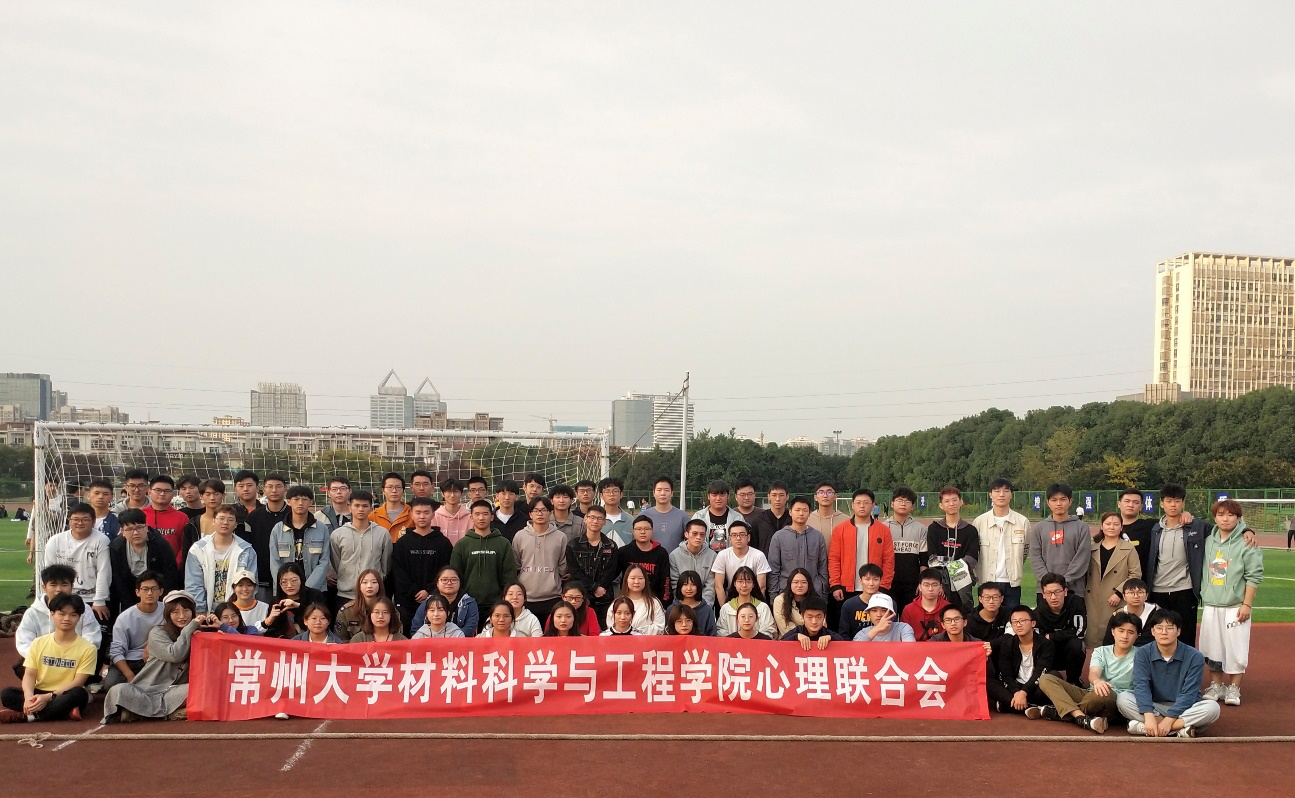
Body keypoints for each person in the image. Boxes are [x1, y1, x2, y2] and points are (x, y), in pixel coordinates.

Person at [1145, 484, 1252, 648]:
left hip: (1185, 590)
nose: (1173, 505)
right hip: (1157, 590)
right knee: (1159, 634)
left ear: (1183, 504)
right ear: (1162, 504)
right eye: (1169, 501)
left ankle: (1187, 665)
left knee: (1186, 635)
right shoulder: (1155, 529)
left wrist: (1247, 530)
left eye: (1177, 501)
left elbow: (1224, 527)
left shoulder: (1197, 526)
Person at [102, 589, 209, 723]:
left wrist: (220, 627)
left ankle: (140, 713)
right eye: (175, 612)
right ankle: (168, 713)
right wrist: (191, 627)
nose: (181, 616)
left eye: (186, 611)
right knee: (118, 690)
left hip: (174, 692)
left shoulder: (198, 634)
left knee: (203, 689)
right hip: (147, 691)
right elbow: (175, 654)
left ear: (193, 612)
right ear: (168, 615)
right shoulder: (158, 632)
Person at [1029, 611, 1142, 734]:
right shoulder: (1101, 651)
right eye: (1121, 631)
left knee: (1105, 693)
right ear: (1113, 631)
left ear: (1137, 635)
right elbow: (1093, 674)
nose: (1125, 636)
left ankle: (1059, 712)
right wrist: (1097, 681)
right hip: (1091, 694)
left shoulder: (1142, 655)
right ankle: (1080, 717)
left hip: (1115, 701)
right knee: (1046, 679)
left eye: (1130, 632)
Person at [1198, 499, 1263, 707]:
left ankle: (1234, 687)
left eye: (1230, 515)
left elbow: (1254, 576)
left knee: (1236, 647)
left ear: (1238, 518)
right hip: (1212, 604)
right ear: (1215, 517)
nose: (1225, 519)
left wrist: (1247, 604)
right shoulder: (1209, 540)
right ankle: (1216, 685)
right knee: (1212, 647)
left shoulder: (1247, 542)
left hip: (1235, 606)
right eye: (1220, 515)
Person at [1117, 608, 1221, 737]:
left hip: (1185, 707)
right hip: (1154, 706)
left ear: (1178, 631)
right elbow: (1141, 686)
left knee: (1213, 708)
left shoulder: (1195, 656)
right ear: (1153, 631)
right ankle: (1180, 729)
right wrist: (1148, 715)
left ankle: (1147, 728)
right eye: (1159, 628)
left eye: (1169, 628)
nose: (1164, 632)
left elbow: (1189, 693)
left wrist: (1169, 720)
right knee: (1123, 699)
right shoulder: (1142, 653)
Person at [0, 593, 94, 724]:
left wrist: (49, 697)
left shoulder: (88, 648)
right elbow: (29, 674)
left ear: (79, 618)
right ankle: (63, 711)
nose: (67, 618)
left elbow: (78, 682)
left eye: (73, 615)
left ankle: (28, 716)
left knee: (79, 694)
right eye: (62, 614)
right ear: (52, 614)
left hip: (64, 694)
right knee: (7, 694)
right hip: (39, 691)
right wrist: (28, 697)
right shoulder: (38, 643)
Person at [14, 564, 102, 677]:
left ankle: (78, 685)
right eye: (53, 585)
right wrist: (49, 659)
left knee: (94, 658)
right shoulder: (33, 612)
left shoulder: (84, 609)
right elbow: (24, 642)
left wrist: (69, 657)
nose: (59, 590)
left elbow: (92, 637)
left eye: (64, 584)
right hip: (43, 661)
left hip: (74, 660)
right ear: (44, 587)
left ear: (72, 586)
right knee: (21, 666)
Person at [391, 496, 453, 632]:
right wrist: (413, 591)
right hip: (406, 602)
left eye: (426, 512)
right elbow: (398, 572)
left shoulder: (443, 543)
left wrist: (429, 591)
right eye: (418, 512)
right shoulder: (402, 543)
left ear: (433, 515)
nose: (422, 516)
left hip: (436, 602)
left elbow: (446, 570)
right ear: (411, 514)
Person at [43, 502, 111, 624]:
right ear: (69, 521)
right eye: (75, 519)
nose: (80, 523)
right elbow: (49, 573)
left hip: (92, 598)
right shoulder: (55, 541)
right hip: (62, 597)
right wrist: (51, 597)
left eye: (85, 519)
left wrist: (99, 601)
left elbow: (104, 571)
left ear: (93, 521)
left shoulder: (101, 540)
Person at [829, 489, 895, 615]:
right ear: (852, 505)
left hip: (874, 588)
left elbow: (888, 561)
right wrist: (835, 584)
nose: (862, 506)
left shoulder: (883, 530)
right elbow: (834, 559)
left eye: (866, 502)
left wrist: (883, 586)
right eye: (858, 502)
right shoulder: (840, 530)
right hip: (846, 588)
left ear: (873, 505)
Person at [184, 504, 257, 615]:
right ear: (213, 521)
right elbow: (193, 584)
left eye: (230, 520)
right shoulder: (198, 549)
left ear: (236, 524)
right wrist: (199, 611)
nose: (225, 522)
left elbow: (252, 583)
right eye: (221, 518)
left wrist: (243, 610)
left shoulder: (246, 550)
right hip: (206, 612)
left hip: (237, 612)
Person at [449, 499, 518, 614]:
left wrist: (505, 599)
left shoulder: (503, 543)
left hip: (497, 604)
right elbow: (456, 574)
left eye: (485, 514)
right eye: (477, 514)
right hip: (467, 603)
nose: (481, 518)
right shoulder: (462, 544)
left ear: (492, 517)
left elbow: (509, 575)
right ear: (471, 517)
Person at [107, 508, 180, 616]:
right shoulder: (116, 548)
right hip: (129, 592)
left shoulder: (160, 544)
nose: (136, 533)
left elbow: (170, 574)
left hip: (157, 591)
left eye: (139, 527)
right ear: (122, 531)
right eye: (130, 529)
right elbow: (117, 579)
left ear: (146, 527)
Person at [972, 478, 1030, 608]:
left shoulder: (1022, 522)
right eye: (997, 491)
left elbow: (1024, 552)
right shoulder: (979, 522)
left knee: (1011, 618)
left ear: (1011, 494)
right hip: (986, 582)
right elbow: (975, 552)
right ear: (990, 494)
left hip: (1012, 584)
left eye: (1006, 491)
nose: (1001, 494)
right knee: (986, 618)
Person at [1086, 511, 1141, 648]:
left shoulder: (1128, 549)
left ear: (1121, 527)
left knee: (1115, 638)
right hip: (1092, 600)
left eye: (1116, 524)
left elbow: (1135, 574)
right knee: (1093, 640)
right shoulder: (1092, 549)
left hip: (1116, 600)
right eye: (1108, 524)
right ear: (1101, 526)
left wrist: (1119, 592)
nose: (1111, 527)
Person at [1027, 483, 1092, 600]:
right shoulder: (1039, 528)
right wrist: (1048, 583)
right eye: (1054, 500)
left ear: (1070, 501)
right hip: (1045, 590)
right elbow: (1035, 557)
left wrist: (1064, 582)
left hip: (1074, 590)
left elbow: (1082, 558)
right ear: (1048, 502)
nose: (1058, 503)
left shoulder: (1082, 527)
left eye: (1063, 499)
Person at [986, 606, 1055, 714]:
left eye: (1022, 621)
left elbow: (1040, 672)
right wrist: (1016, 692)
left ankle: (1009, 705)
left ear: (1033, 623)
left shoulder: (1046, 644)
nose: (1018, 625)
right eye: (1014, 622)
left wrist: (1024, 693)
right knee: (987, 682)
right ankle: (1033, 708)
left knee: (1054, 676)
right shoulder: (1007, 644)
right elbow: (1006, 674)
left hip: (1035, 687)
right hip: (1014, 688)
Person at [104, 572, 166, 692]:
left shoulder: (168, 611)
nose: (149, 593)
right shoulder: (125, 618)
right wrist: (129, 675)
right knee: (111, 685)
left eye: (154, 589)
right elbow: (116, 651)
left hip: (156, 659)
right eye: (145, 589)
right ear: (137, 592)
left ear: (161, 591)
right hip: (129, 660)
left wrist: (152, 643)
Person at [328, 491, 392, 606]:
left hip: (374, 595)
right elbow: (336, 562)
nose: (361, 509)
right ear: (350, 507)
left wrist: (378, 578)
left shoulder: (382, 533)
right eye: (357, 505)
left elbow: (386, 564)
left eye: (365, 506)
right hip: (346, 595)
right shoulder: (337, 534)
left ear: (371, 508)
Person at [268, 485, 332, 596]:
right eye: (296, 499)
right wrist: (286, 584)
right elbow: (274, 562)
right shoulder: (278, 529)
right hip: (286, 590)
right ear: (288, 502)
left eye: (304, 499)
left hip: (315, 590)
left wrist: (307, 589)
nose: (300, 503)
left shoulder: (322, 529)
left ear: (311, 502)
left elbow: (324, 561)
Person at [512, 497, 570, 619]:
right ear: (530, 514)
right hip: (526, 597)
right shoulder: (520, 536)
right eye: (536, 510)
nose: (540, 514)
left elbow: (562, 566)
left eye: (544, 510)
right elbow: (516, 564)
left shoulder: (560, 537)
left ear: (550, 513)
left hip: (553, 597)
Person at [926, 487, 980, 610]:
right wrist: (940, 581)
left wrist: (952, 569)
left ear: (961, 502)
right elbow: (932, 558)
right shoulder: (934, 528)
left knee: (964, 613)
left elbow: (971, 558)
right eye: (947, 501)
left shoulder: (970, 530)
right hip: (940, 582)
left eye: (955, 500)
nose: (951, 504)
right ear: (941, 505)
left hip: (963, 581)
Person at [767, 496, 828, 597]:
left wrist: (823, 593)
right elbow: (774, 569)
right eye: (797, 510)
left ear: (809, 513)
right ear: (790, 512)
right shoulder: (779, 536)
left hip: (813, 592)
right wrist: (773, 596)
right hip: (786, 591)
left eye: (805, 510)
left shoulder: (817, 537)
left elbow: (823, 568)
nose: (801, 513)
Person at [567, 504, 617, 626]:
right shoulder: (573, 545)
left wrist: (601, 588)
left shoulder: (611, 546)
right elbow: (575, 572)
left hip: (605, 598)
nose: (595, 521)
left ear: (604, 522)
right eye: (592, 517)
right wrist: (594, 588)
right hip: (581, 598)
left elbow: (611, 571)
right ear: (585, 519)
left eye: (599, 519)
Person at [1035, 572, 1087, 685]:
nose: (1053, 597)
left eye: (1057, 592)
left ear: (1065, 591)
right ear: (1043, 594)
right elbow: (1037, 638)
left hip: (1069, 649)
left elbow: (1080, 632)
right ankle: (1046, 681)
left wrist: (1052, 636)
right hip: (1050, 651)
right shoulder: (1039, 611)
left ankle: (1073, 682)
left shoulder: (1076, 603)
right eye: (1049, 593)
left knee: (1077, 645)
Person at [883, 486, 928, 609]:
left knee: (910, 618)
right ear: (892, 504)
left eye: (907, 501)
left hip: (912, 585)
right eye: (899, 500)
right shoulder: (883, 527)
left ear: (912, 506)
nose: (903, 504)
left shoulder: (921, 529)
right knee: (888, 618)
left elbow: (924, 559)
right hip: (888, 584)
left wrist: (922, 582)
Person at [711, 521, 771, 606]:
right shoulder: (722, 555)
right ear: (729, 539)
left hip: (753, 596)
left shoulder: (759, 555)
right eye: (734, 535)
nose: (738, 538)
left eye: (742, 535)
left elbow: (761, 587)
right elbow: (718, 586)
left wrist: (755, 608)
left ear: (748, 537)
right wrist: (725, 608)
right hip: (731, 596)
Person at [616, 516, 671, 605]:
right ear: (633, 532)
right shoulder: (624, 552)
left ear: (652, 531)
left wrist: (664, 604)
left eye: (647, 529)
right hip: (628, 601)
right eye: (638, 529)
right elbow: (612, 573)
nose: (642, 532)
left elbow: (665, 581)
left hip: (653, 601)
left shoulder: (661, 553)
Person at [411, 566, 480, 637]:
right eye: (444, 580)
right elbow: (416, 628)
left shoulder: (469, 602)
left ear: (460, 583)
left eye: (454, 580)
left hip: (459, 641)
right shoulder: (428, 601)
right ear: (437, 583)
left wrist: (448, 640)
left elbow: (469, 629)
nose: (449, 583)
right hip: (428, 641)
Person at [267, 562, 322, 637]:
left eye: (294, 581)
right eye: (284, 582)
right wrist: (270, 619)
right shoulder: (276, 602)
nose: (289, 585)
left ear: (301, 580)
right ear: (279, 583)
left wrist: (298, 606)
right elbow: (271, 631)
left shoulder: (315, 595)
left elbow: (322, 620)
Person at [717, 566, 774, 637]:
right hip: (731, 644)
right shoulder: (726, 608)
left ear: (753, 584)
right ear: (734, 584)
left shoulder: (763, 607)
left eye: (748, 581)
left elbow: (768, 632)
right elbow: (721, 632)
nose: (744, 585)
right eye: (740, 581)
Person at [670, 520, 717, 607]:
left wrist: (703, 607)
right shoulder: (674, 555)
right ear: (686, 534)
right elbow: (675, 584)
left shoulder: (712, 556)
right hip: (681, 606)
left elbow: (710, 586)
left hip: (704, 605)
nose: (698, 537)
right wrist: (683, 607)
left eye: (702, 534)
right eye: (694, 533)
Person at [607, 565, 665, 635]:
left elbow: (659, 627)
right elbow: (611, 625)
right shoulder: (618, 602)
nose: (636, 582)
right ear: (626, 580)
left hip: (647, 641)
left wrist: (636, 632)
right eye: (633, 578)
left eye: (640, 578)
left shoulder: (654, 602)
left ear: (646, 580)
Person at [333, 569, 387, 642]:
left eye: (374, 582)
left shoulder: (389, 609)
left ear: (380, 585)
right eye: (364, 582)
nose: (369, 586)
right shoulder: (347, 611)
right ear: (359, 586)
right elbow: (339, 640)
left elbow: (396, 636)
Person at [1102, 578, 1158, 647]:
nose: (1136, 596)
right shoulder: (1118, 614)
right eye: (1131, 593)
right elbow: (1108, 642)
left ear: (1146, 596)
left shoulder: (1156, 614)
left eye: (1140, 592)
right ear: (1124, 596)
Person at [638, 476, 689, 550]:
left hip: (674, 557)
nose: (663, 493)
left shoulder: (682, 516)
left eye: (666, 490)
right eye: (659, 490)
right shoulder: (643, 516)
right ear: (654, 493)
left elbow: (690, 541)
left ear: (672, 493)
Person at [692, 480, 744, 552]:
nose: (718, 498)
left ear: (728, 496)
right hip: (705, 558)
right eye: (714, 495)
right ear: (708, 496)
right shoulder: (699, 517)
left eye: (722, 494)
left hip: (730, 558)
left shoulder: (737, 518)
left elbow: (743, 542)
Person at [838, 563, 886, 640]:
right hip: (855, 645)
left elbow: (891, 629)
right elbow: (843, 634)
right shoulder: (849, 605)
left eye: (875, 579)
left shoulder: (888, 603)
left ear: (880, 581)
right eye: (867, 579)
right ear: (860, 580)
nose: (871, 583)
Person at [901, 570, 951, 641]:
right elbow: (904, 635)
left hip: (941, 646)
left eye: (934, 585)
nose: (930, 589)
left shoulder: (948, 608)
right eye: (926, 585)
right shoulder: (908, 610)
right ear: (920, 587)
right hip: (914, 646)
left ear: (940, 587)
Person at [478, 583, 543, 637]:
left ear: (525, 598)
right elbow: (484, 638)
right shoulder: (493, 618)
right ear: (504, 598)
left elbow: (538, 642)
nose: (515, 597)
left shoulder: (532, 619)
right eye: (510, 594)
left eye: (519, 594)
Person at [1117, 487, 1156, 577]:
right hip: (1115, 580)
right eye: (1127, 501)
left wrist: (1185, 514)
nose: (1131, 505)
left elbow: (1172, 520)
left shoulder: (1150, 526)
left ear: (1141, 507)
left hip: (1140, 580)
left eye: (1136, 502)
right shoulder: (1110, 527)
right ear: (1119, 504)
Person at [773, 567, 819, 639]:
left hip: (814, 640)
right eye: (795, 582)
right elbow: (785, 628)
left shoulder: (817, 601)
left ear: (809, 584)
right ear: (790, 583)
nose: (800, 585)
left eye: (804, 582)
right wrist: (800, 637)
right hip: (789, 640)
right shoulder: (780, 600)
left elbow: (821, 625)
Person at [852, 593, 917, 642]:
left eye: (884, 610)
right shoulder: (863, 633)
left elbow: (910, 649)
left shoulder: (902, 628)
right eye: (874, 610)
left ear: (891, 613)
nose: (879, 615)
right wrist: (877, 629)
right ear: (869, 613)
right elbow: (855, 649)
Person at [181, 478, 227, 548]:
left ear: (223, 495)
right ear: (201, 496)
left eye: (216, 494)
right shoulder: (193, 524)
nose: (212, 498)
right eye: (208, 494)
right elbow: (187, 550)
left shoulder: (233, 521)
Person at [751, 481, 792, 554]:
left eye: (781, 495)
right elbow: (753, 548)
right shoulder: (759, 520)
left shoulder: (793, 519)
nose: (777, 499)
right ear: (769, 496)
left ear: (787, 497)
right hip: (765, 560)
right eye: (774, 495)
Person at [371, 472, 413, 543]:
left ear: (403, 490)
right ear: (383, 490)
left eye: (398, 487)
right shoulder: (373, 516)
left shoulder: (412, 514)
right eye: (390, 487)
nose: (394, 491)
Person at [807, 482, 849, 550]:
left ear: (835, 496)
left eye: (829, 492)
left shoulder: (846, 520)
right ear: (815, 497)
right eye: (821, 492)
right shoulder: (807, 519)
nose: (825, 496)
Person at [673, 571, 716, 636]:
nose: (689, 588)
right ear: (680, 587)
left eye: (693, 584)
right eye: (685, 584)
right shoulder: (672, 609)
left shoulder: (707, 610)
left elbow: (712, 634)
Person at [596, 477, 636, 547]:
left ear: (621, 494)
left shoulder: (630, 520)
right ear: (601, 495)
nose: (611, 494)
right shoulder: (593, 519)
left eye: (615, 491)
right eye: (607, 491)